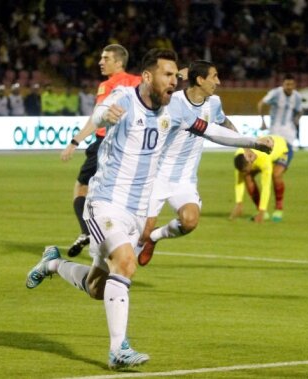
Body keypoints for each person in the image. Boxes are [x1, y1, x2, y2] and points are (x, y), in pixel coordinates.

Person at [25, 49, 272, 370]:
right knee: (126, 264)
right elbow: (101, 113)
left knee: (97, 288)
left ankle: (53, 264)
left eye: (175, 75)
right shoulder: (125, 98)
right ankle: (118, 350)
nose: (174, 81)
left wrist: (252, 142)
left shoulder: (177, 112)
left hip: (136, 209)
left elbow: (211, 130)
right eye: (168, 75)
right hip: (104, 203)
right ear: (147, 77)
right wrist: (78, 138)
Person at [136, 60, 262, 267]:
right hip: (156, 177)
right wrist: (174, 78)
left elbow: (223, 123)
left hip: (185, 179)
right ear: (200, 79)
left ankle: (155, 238)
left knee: (190, 221)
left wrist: (245, 147)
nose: (219, 82)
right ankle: (118, 273)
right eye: (214, 77)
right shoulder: (172, 101)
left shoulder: (214, 103)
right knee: (141, 233)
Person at [60, 44, 141, 258]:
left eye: (106, 58)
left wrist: (75, 141)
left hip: (104, 143)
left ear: (119, 62)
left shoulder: (108, 85)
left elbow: (98, 118)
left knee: (82, 188)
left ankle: (87, 232)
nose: (100, 62)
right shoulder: (138, 81)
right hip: (130, 147)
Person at [229, 135, 291, 223]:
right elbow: (239, 182)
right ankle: (262, 212)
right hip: (264, 152)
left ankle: (278, 209)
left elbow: (266, 186)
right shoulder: (240, 157)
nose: (245, 172)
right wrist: (239, 203)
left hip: (283, 149)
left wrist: (262, 210)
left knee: (276, 175)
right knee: (247, 177)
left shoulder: (263, 158)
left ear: (250, 162)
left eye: (247, 170)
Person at [257, 74, 303, 148]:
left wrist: (297, 120)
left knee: (288, 149)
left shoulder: (297, 96)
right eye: (287, 84)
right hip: (275, 127)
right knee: (274, 148)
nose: (289, 87)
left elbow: (300, 110)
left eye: (291, 84)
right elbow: (261, 104)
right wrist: (263, 122)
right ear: (283, 84)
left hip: (289, 127)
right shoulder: (275, 93)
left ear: (294, 85)